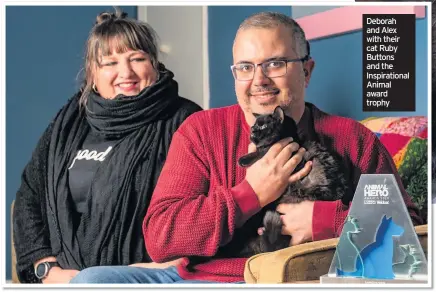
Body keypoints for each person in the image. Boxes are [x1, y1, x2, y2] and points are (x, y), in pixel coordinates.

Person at [70, 11, 422, 284]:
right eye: (246, 67)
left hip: (292, 277)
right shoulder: (201, 131)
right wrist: (250, 193)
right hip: (202, 278)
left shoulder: (351, 138)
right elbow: (162, 237)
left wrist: (325, 220)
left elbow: (409, 242)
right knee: (90, 280)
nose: (259, 80)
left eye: (276, 63)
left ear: (307, 71)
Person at [13, 8, 202, 284]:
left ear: (154, 64)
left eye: (137, 58)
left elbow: (206, 204)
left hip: (149, 275)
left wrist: (171, 264)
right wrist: (46, 270)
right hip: (63, 278)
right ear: (92, 73)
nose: (125, 72)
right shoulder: (69, 122)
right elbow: (31, 194)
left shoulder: (185, 120)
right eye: (110, 63)